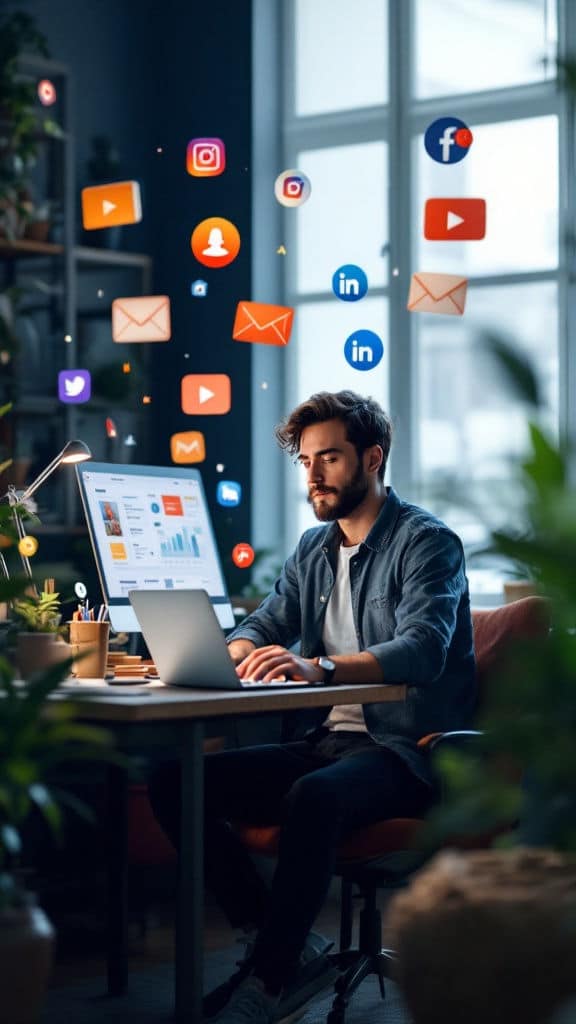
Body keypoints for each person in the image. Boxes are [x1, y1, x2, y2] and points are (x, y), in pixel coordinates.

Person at [148, 390, 476, 1024]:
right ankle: (282, 941)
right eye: (305, 461)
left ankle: (270, 983)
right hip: (329, 743)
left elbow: (423, 648)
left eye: (329, 457)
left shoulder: (428, 543)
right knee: (174, 781)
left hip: (410, 753)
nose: (313, 474)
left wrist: (317, 665)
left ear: (372, 457)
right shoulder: (313, 548)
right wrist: (235, 650)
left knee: (316, 796)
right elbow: (268, 619)